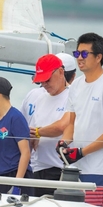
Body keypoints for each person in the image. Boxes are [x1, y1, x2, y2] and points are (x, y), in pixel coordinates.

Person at [58, 32, 103, 189]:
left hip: (100, 169)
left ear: (98, 57)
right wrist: (64, 143)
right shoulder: (75, 85)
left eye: (84, 54)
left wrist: (82, 152)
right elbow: (72, 123)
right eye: (77, 54)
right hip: (75, 167)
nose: (79, 58)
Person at [23, 54, 71, 196]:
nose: (44, 84)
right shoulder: (40, 98)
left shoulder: (74, 95)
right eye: (41, 81)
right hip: (38, 167)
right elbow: (33, 131)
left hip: (61, 169)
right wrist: (34, 134)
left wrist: (38, 132)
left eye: (47, 80)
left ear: (61, 72)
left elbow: (61, 126)